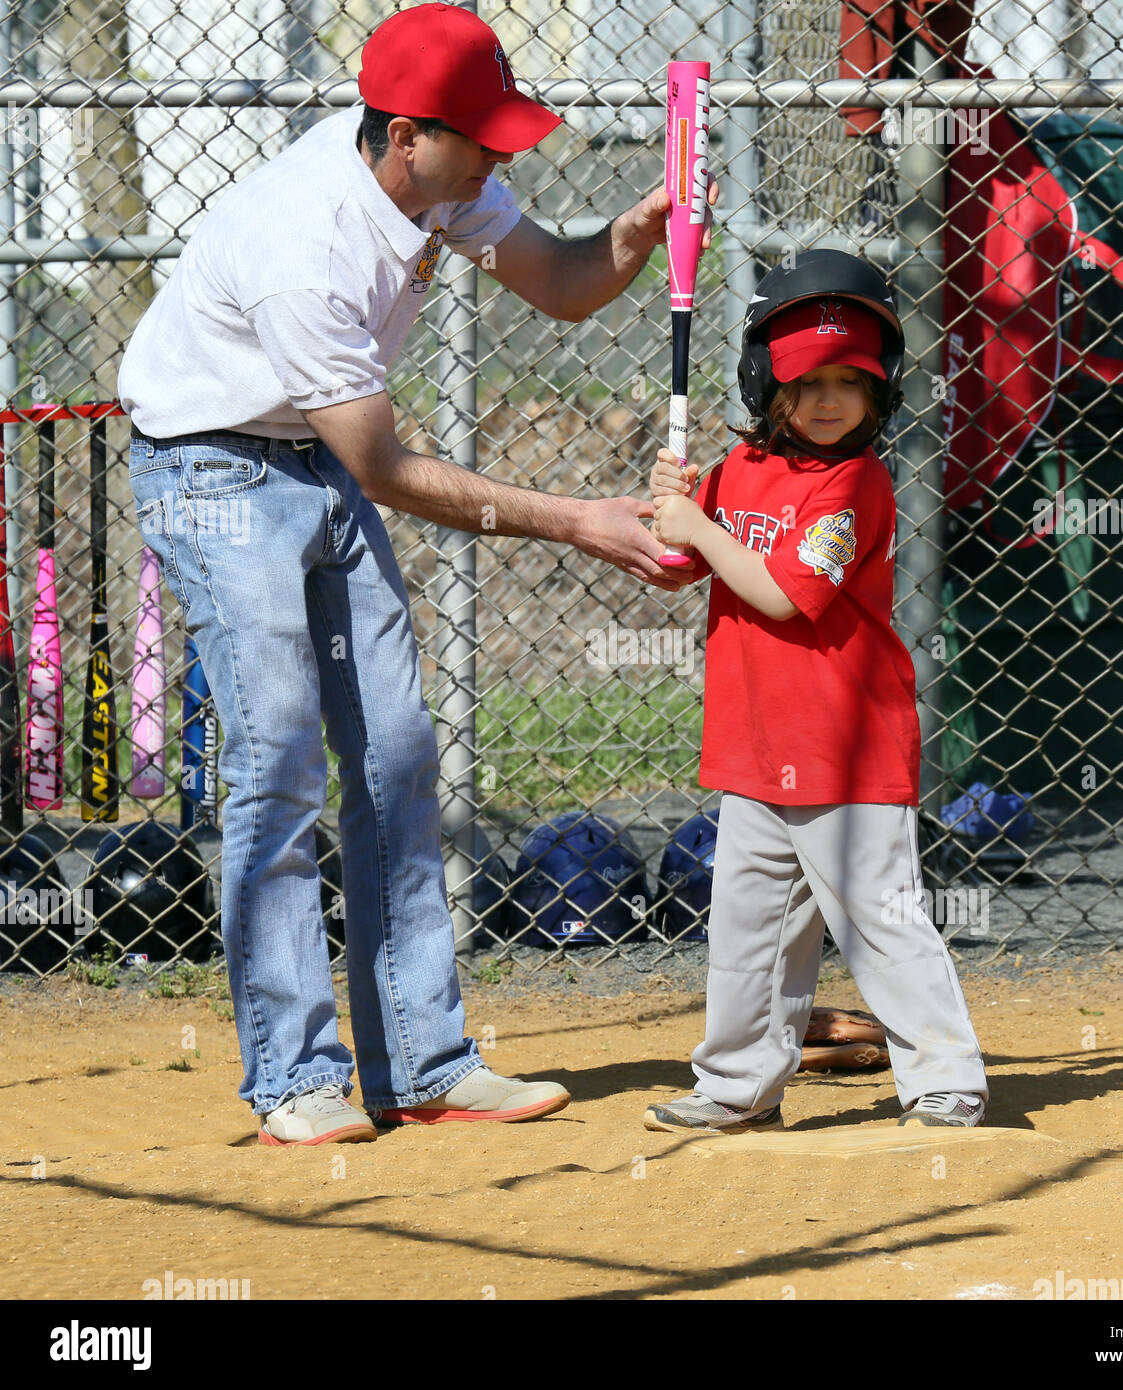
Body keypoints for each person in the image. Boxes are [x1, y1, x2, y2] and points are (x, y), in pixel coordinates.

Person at [116, 3, 715, 1146]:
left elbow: (565, 282)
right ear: (402, 134)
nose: (501, 153)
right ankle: (292, 1078)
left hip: (311, 454)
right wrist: (580, 521)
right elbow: (385, 465)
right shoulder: (307, 246)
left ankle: (422, 1061)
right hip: (212, 467)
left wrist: (638, 230)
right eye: (479, 135)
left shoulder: (443, 182)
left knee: (394, 754)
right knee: (278, 763)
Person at [644, 249, 989, 1132]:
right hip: (757, 752)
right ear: (768, 385)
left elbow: (788, 594)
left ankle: (945, 1078)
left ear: (881, 392)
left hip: (847, 753)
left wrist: (703, 532)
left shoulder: (857, 482)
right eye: (806, 382)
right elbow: (677, 569)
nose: (829, 399)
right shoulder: (731, 474)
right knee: (747, 937)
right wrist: (671, 508)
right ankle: (737, 1086)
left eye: (849, 380)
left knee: (880, 926)